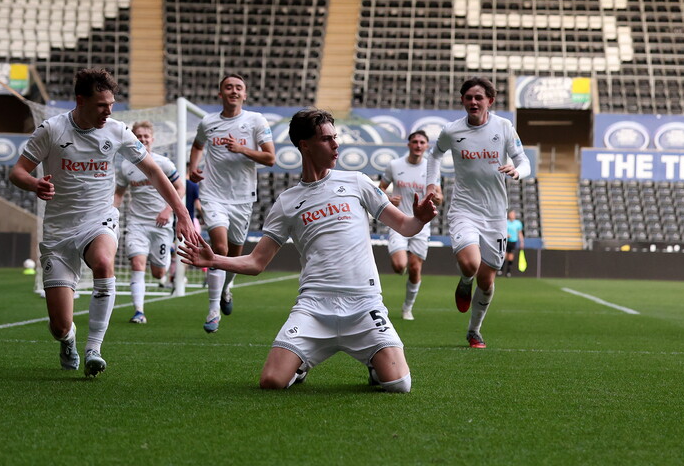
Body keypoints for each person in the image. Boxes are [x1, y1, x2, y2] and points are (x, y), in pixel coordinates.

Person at [177, 108, 437, 392]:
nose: (335, 144)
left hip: (364, 305)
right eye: (326, 139)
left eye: (335, 137)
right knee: (272, 382)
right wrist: (214, 259)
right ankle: (300, 367)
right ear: (305, 145)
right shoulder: (287, 202)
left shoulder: (358, 182)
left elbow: (405, 227)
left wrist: (420, 219)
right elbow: (256, 263)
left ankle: (375, 365)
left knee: (399, 384)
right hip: (313, 307)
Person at [10, 68, 199, 377]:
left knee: (102, 262)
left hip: (99, 219)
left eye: (111, 104)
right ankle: (69, 340)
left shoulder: (117, 131)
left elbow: (153, 171)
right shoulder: (52, 130)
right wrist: (34, 184)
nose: (108, 111)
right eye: (101, 105)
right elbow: (17, 172)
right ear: (80, 100)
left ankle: (94, 349)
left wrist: (182, 213)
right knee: (59, 326)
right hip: (58, 230)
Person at [425, 77, 531, 349]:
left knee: (486, 280)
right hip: (464, 209)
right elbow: (434, 155)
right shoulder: (452, 131)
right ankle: (464, 280)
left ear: (490, 101)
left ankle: (474, 330)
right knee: (471, 264)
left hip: (495, 215)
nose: (473, 102)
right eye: (469, 97)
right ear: (462, 100)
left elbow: (523, 160)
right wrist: (432, 184)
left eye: (479, 97)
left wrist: (518, 171)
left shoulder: (503, 127)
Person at [188, 74, 276, 333]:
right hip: (213, 194)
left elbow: (270, 158)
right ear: (221, 93)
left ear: (244, 95)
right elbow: (197, 145)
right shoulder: (208, 122)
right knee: (219, 247)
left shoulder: (256, 120)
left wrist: (242, 149)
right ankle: (213, 311)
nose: (234, 91)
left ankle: (226, 288)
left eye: (239, 88)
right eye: (229, 87)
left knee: (235, 254)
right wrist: (193, 166)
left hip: (242, 197)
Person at [113, 121, 185, 324]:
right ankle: (139, 312)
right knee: (137, 263)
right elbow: (119, 193)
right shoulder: (126, 166)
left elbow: (180, 188)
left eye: (146, 136)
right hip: (136, 223)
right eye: (139, 136)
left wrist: (167, 210)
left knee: (158, 272)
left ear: (152, 139)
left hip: (161, 224)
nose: (143, 139)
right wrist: (110, 212)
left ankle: (168, 253)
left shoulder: (164, 163)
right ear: (134, 139)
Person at [378, 130, 442, 320]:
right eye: (415, 142)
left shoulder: (431, 168)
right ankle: (402, 262)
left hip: (421, 224)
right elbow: (380, 189)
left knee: (415, 268)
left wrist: (437, 198)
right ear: (409, 145)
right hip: (398, 221)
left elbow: (440, 197)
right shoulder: (395, 165)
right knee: (399, 266)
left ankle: (407, 307)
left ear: (427, 146)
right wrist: (389, 198)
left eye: (422, 142)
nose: (418, 145)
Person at [501, 210, 524, 277]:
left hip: (513, 241)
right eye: (511, 214)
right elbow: (502, 231)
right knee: (504, 255)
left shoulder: (518, 223)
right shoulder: (506, 222)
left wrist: (522, 241)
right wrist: (506, 235)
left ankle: (508, 271)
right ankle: (501, 270)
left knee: (511, 256)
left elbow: (520, 233)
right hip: (506, 241)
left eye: (513, 214)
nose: (512, 215)